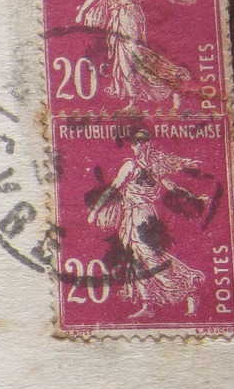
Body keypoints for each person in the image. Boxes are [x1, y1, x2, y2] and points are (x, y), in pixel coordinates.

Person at [86, 132, 207, 318]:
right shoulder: (145, 166)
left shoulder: (138, 166)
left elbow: (114, 188)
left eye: (138, 143)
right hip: (137, 214)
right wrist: (195, 197)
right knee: (136, 257)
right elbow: (172, 188)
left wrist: (95, 211)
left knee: (149, 257)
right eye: (134, 143)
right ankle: (147, 304)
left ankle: (187, 292)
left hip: (141, 215)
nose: (135, 147)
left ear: (145, 145)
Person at [74, 0, 198, 109]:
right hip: (120, 15)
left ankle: (173, 80)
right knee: (124, 55)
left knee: (133, 53)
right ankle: (133, 101)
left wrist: (182, 0)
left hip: (129, 14)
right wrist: (83, 9)